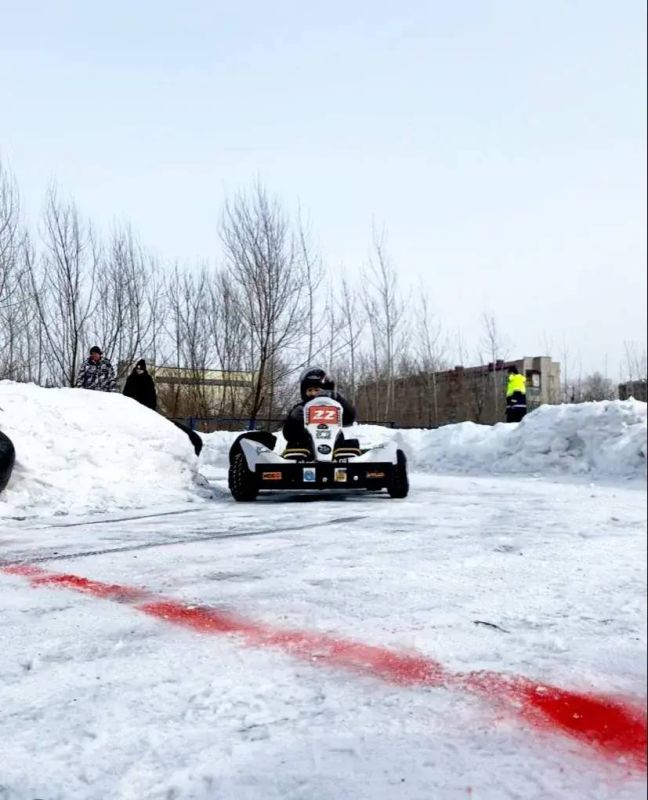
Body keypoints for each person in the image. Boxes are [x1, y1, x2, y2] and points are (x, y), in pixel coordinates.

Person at [282, 367, 356, 451]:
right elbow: (288, 435)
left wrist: (338, 398)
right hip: (305, 447)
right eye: (310, 390)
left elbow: (350, 417)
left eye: (317, 390)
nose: (313, 393)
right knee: (293, 446)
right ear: (304, 392)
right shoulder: (300, 408)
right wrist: (293, 419)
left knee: (352, 445)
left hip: (334, 445)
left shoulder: (335, 406)